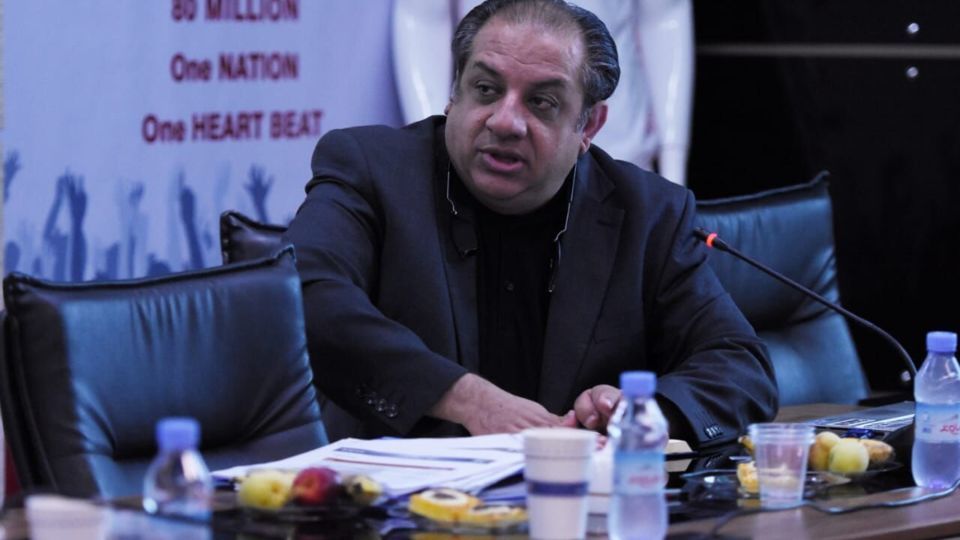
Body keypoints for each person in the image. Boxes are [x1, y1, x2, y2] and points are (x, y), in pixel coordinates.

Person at [286, 0, 777, 447]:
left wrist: (641, 413)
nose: (505, 121)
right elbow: (303, 294)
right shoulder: (373, 170)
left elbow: (739, 366)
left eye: (541, 102)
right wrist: (466, 398)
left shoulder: (648, 213)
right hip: (396, 498)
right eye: (485, 89)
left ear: (588, 126)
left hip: (575, 499)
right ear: (453, 94)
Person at [392, 0, 693, 185]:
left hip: (618, 144)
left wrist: (673, 162)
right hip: (483, 151)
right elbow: (422, 18)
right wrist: (435, 149)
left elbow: (665, 16)